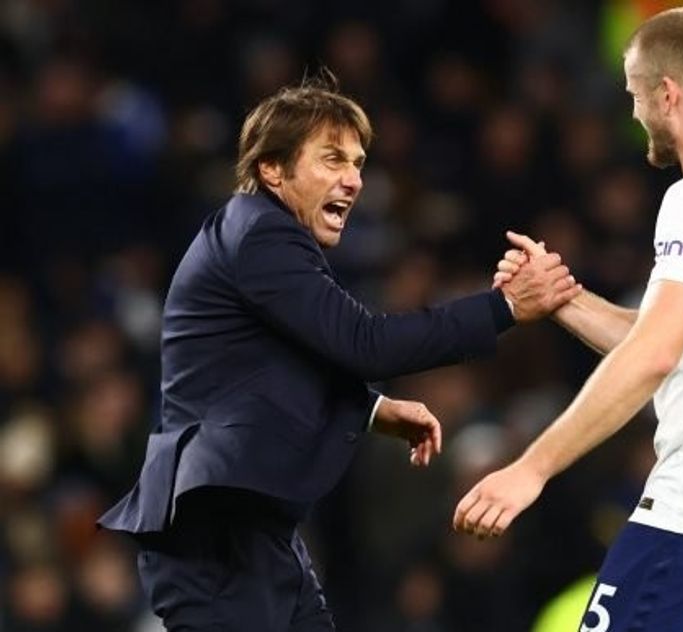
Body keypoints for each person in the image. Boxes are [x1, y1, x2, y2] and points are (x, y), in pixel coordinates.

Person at [97, 73, 580, 632]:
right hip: (220, 535)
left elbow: (276, 362)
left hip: (255, 533)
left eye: (357, 163)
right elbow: (364, 343)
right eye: (332, 159)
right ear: (272, 169)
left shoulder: (263, 240)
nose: (353, 180)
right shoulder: (260, 234)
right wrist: (504, 309)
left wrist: (373, 410)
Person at [454, 8, 683, 632]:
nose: (632, 113)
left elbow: (652, 356)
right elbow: (678, 341)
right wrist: (562, 296)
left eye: (633, 94)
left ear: (667, 93)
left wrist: (531, 468)